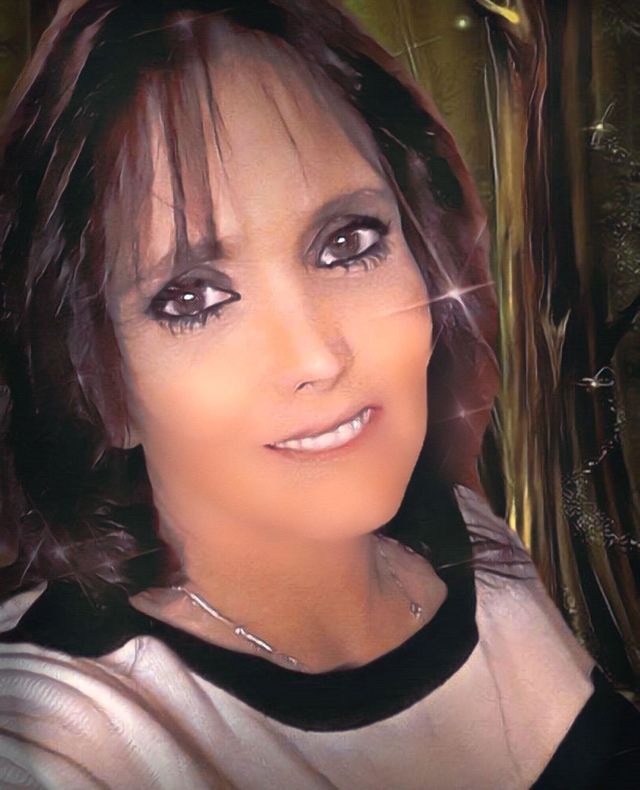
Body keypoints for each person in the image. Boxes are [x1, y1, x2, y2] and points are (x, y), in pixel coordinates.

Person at [0, 1, 638, 787]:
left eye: (348, 243)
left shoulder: (471, 536)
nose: (316, 356)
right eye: (193, 299)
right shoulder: (62, 729)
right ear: (96, 387)